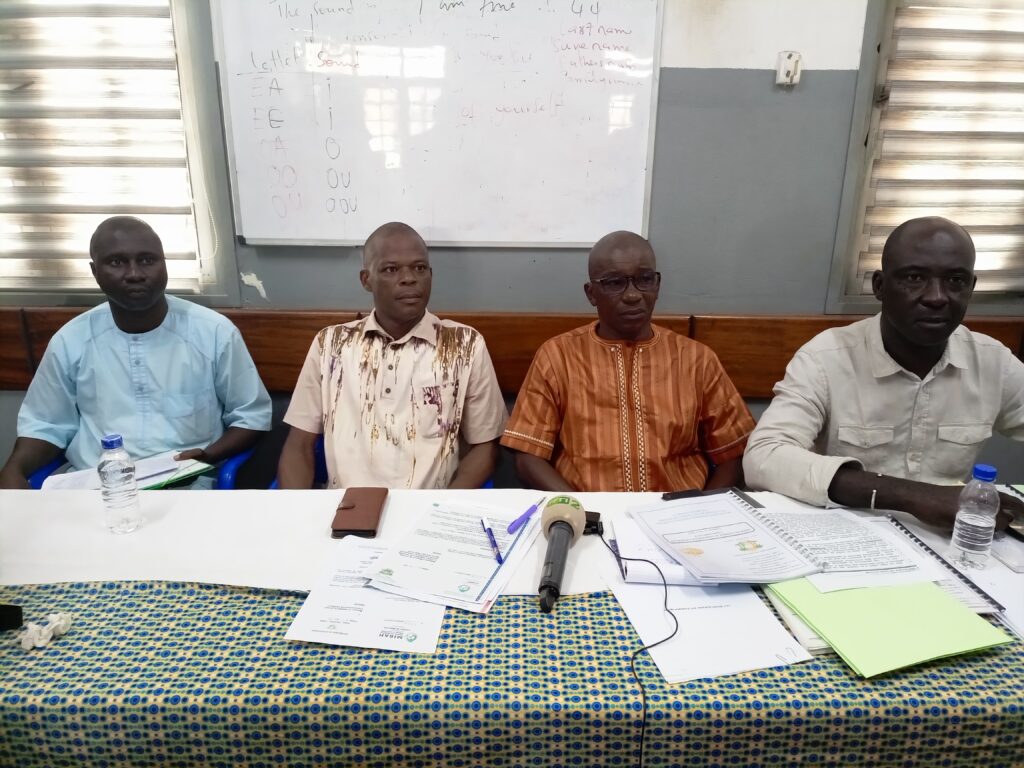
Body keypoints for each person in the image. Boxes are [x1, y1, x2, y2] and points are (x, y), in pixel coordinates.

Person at [744, 216, 1024, 529]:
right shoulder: (826, 358)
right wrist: (913, 496)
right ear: (879, 286)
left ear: (971, 288)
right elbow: (764, 457)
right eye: (914, 278)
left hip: (947, 539)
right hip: (844, 531)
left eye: (955, 280)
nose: (937, 297)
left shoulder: (993, 362)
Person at [0, 216, 272, 488]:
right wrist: (14, 468)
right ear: (95, 271)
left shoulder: (214, 332)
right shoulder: (70, 341)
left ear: (164, 264)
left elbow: (252, 416)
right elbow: (45, 426)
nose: (134, 274)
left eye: (147, 260)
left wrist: (208, 455)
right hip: (97, 487)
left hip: (187, 485)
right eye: (116, 262)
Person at [501, 230, 755, 492]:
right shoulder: (557, 356)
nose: (632, 295)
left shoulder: (696, 359)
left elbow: (734, 452)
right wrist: (580, 507)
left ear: (657, 285)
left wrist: (703, 508)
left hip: (676, 507)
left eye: (644, 279)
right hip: (587, 508)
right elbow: (527, 456)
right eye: (614, 283)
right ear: (591, 293)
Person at [278, 222, 507, 489]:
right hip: (343, 504)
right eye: (391, 269)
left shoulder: (465, 344)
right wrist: (296, 510)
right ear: (366, 280)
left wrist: (443, 506)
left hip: (428, 506)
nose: (409, 278)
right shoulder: (331, 344)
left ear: (431, 274)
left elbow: (486, 448)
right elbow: (299, 446)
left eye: (419, 268)